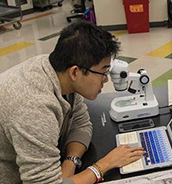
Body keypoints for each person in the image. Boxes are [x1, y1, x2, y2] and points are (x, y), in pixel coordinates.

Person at [0, 21, 145, 184]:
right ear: (75, 72)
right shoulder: (33, 108)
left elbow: (81, 123)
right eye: (103, 72)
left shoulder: (59, 72)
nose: (106, 79)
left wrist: (70, 162)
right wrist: (105, 164)